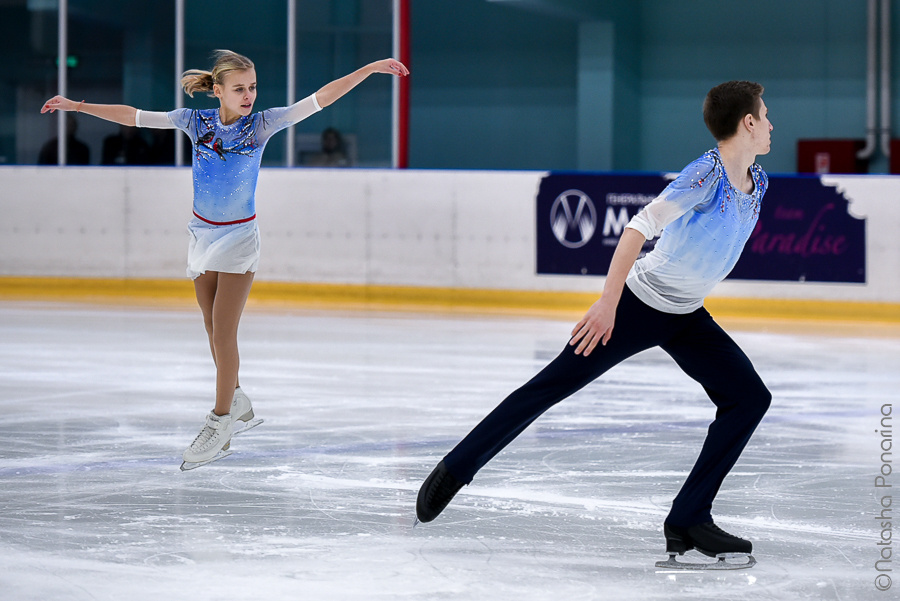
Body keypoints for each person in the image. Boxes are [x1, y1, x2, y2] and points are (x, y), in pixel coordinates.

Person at [417, 81, 774, 569]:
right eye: (765, 115)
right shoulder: (705, 175)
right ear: (748, 123)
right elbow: (638, 228)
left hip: (687, 314)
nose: (772, 124)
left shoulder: (760, 183)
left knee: (749, 397)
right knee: (550, 386)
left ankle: (689, 518)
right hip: (639, 304)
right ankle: (455, 468)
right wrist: (609, 302)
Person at [41, 49, 409, 470]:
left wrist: (369, 67)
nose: (249, 95)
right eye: (239, 88)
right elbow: (134, 116)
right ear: (218, 91)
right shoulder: (194, 122)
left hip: (238, 238)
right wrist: (77, 106)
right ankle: (237, 400)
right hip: (201, 236)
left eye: (252, 87)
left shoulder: (263, 124)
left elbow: (321, 99)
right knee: (210, 324)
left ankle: (220, 422)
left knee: (223, 334)